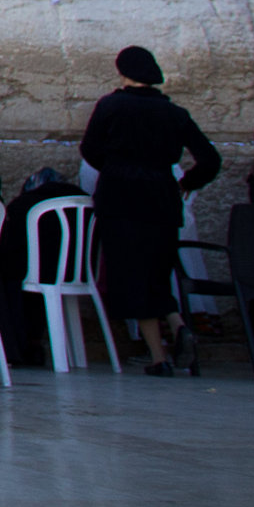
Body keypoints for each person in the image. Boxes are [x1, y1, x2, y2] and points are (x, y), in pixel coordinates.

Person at [79, 46, 220, 376]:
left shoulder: (111, 105)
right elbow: (210, 160)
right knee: (156, 274)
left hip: (120, 199)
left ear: (123, 72)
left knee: (131, 276)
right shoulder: (175, 113)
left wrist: (115, 168)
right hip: (162, 200)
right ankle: (169, 338)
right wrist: (186, 182)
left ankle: (163, 349)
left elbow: (90, 149)